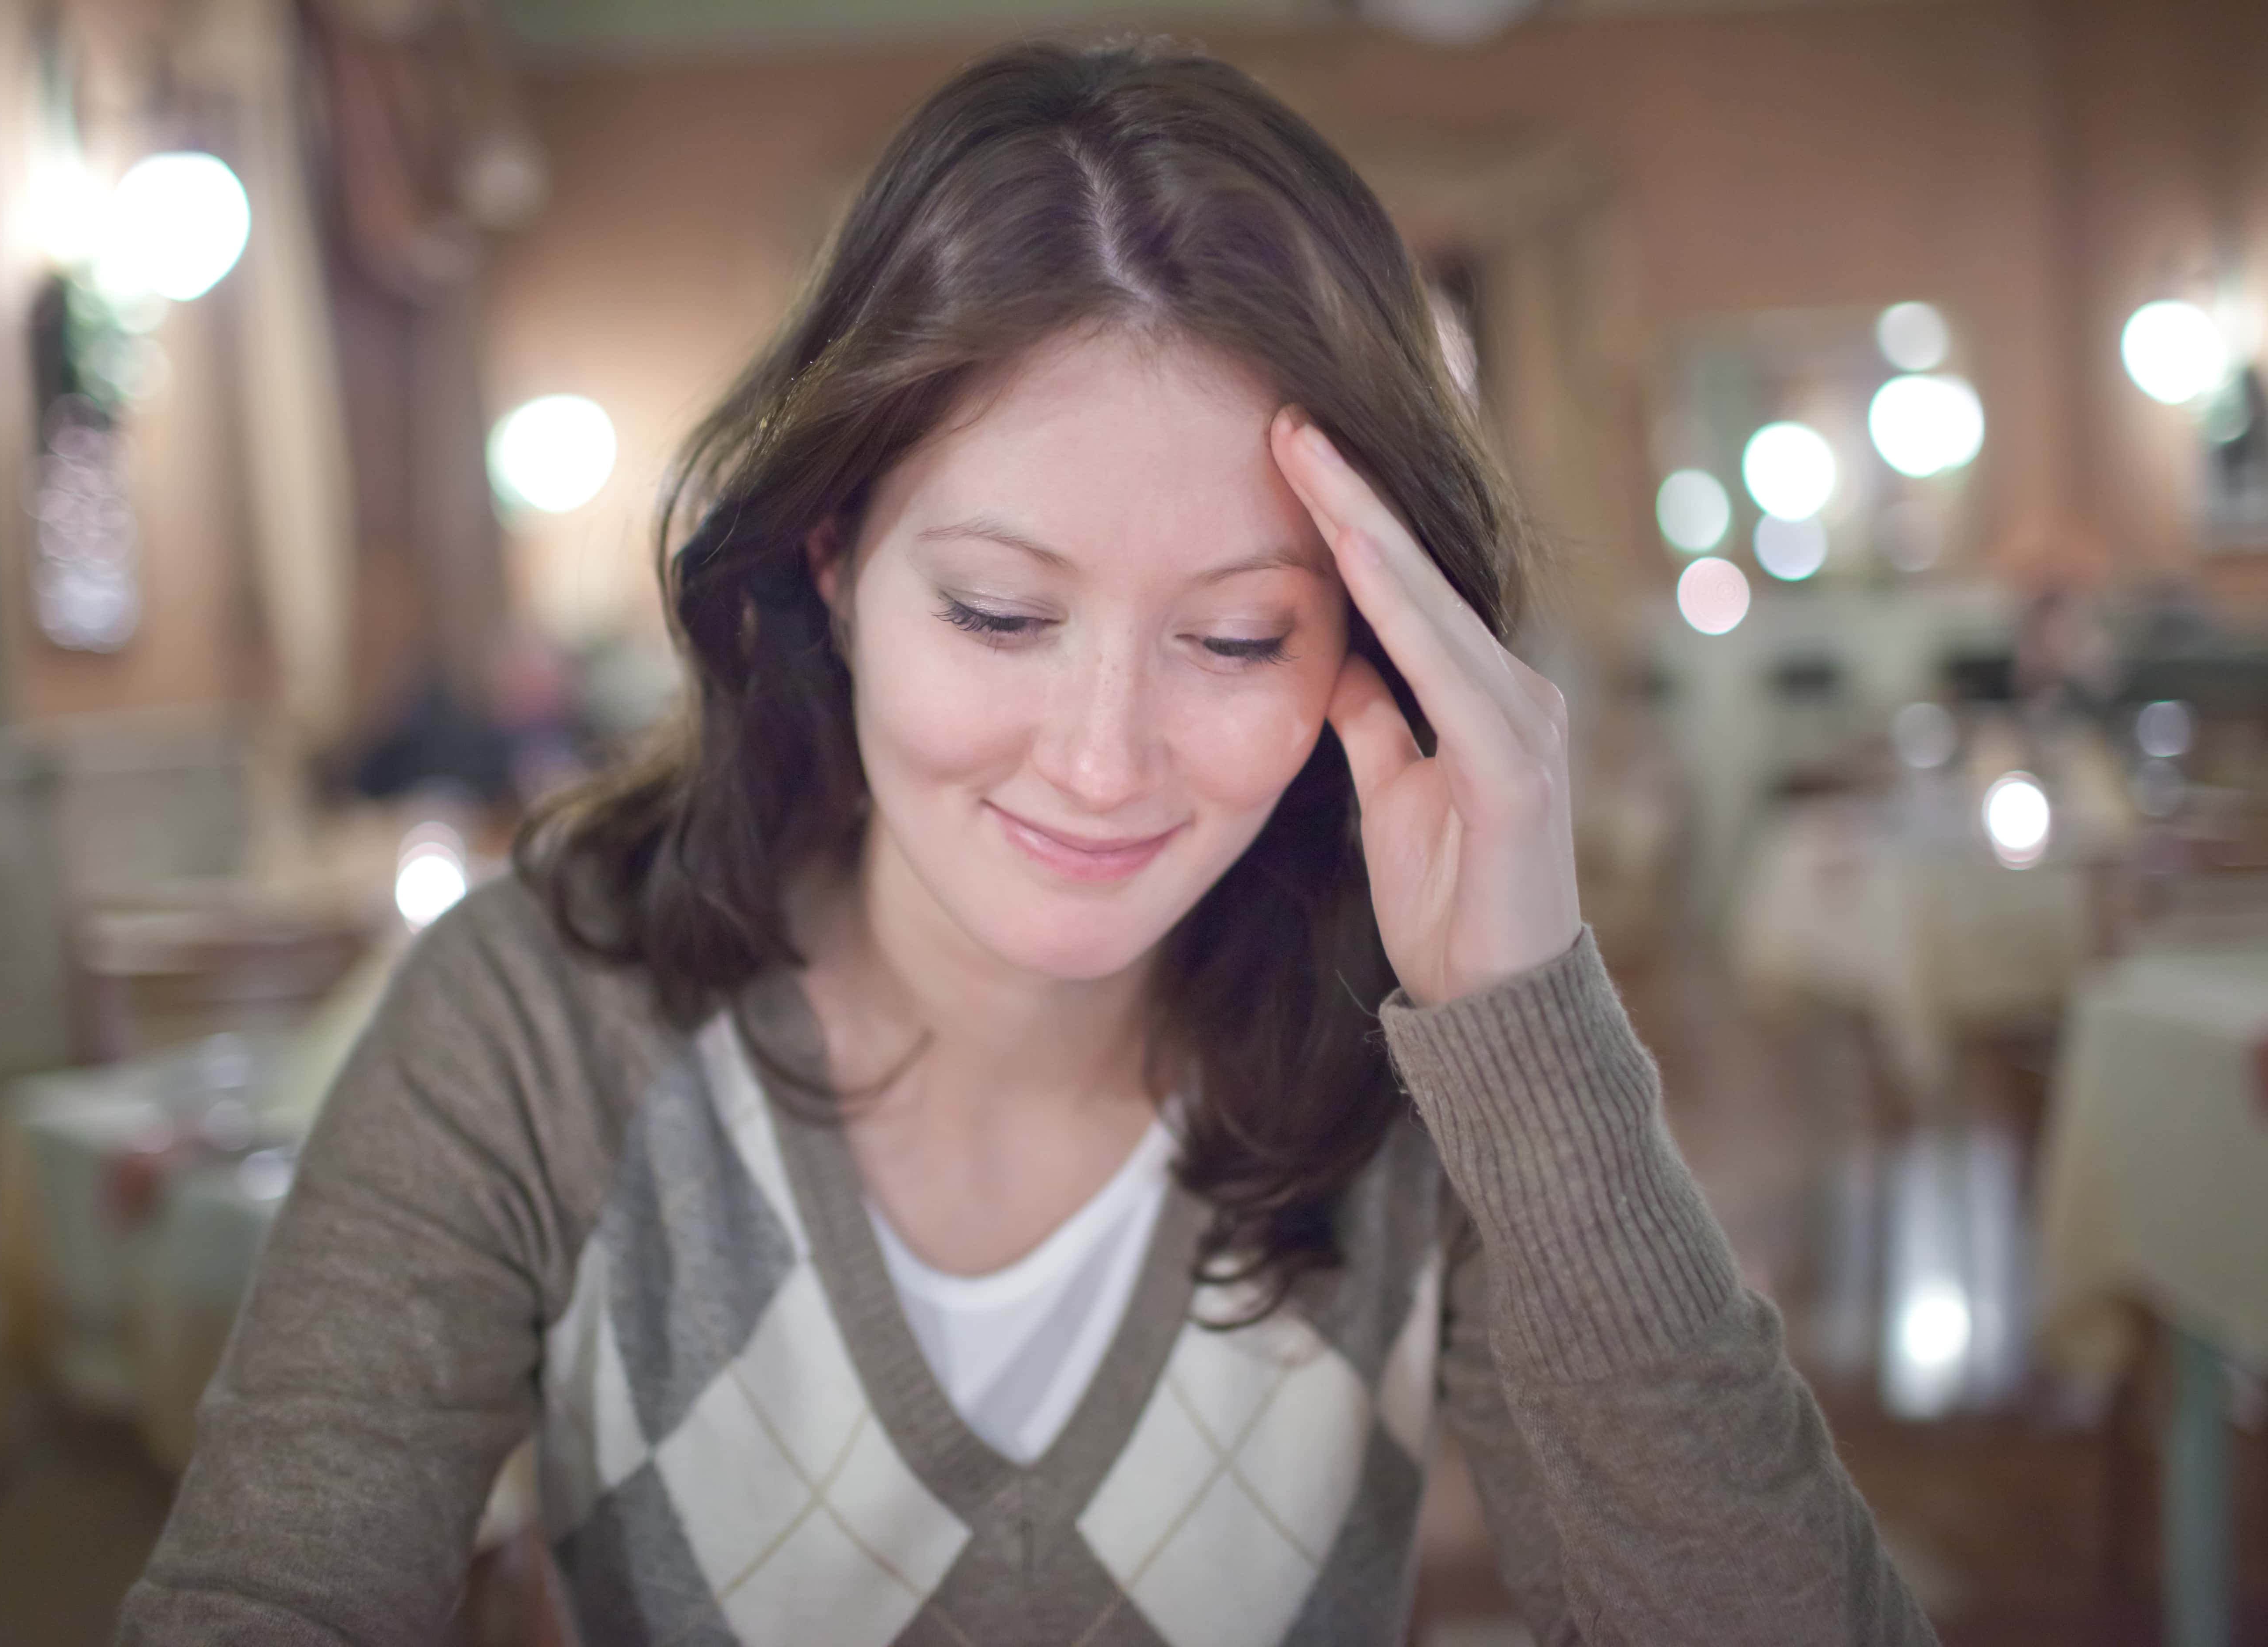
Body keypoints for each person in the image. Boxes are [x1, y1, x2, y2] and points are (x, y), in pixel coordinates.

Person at [118, 39, 1935, 1647]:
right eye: (997, 612)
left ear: (1363, 655)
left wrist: (1530, 1033)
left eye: (1233, 638)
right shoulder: (536, 1030)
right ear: (830, 568)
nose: (1100, 759)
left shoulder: (1425, 1072)